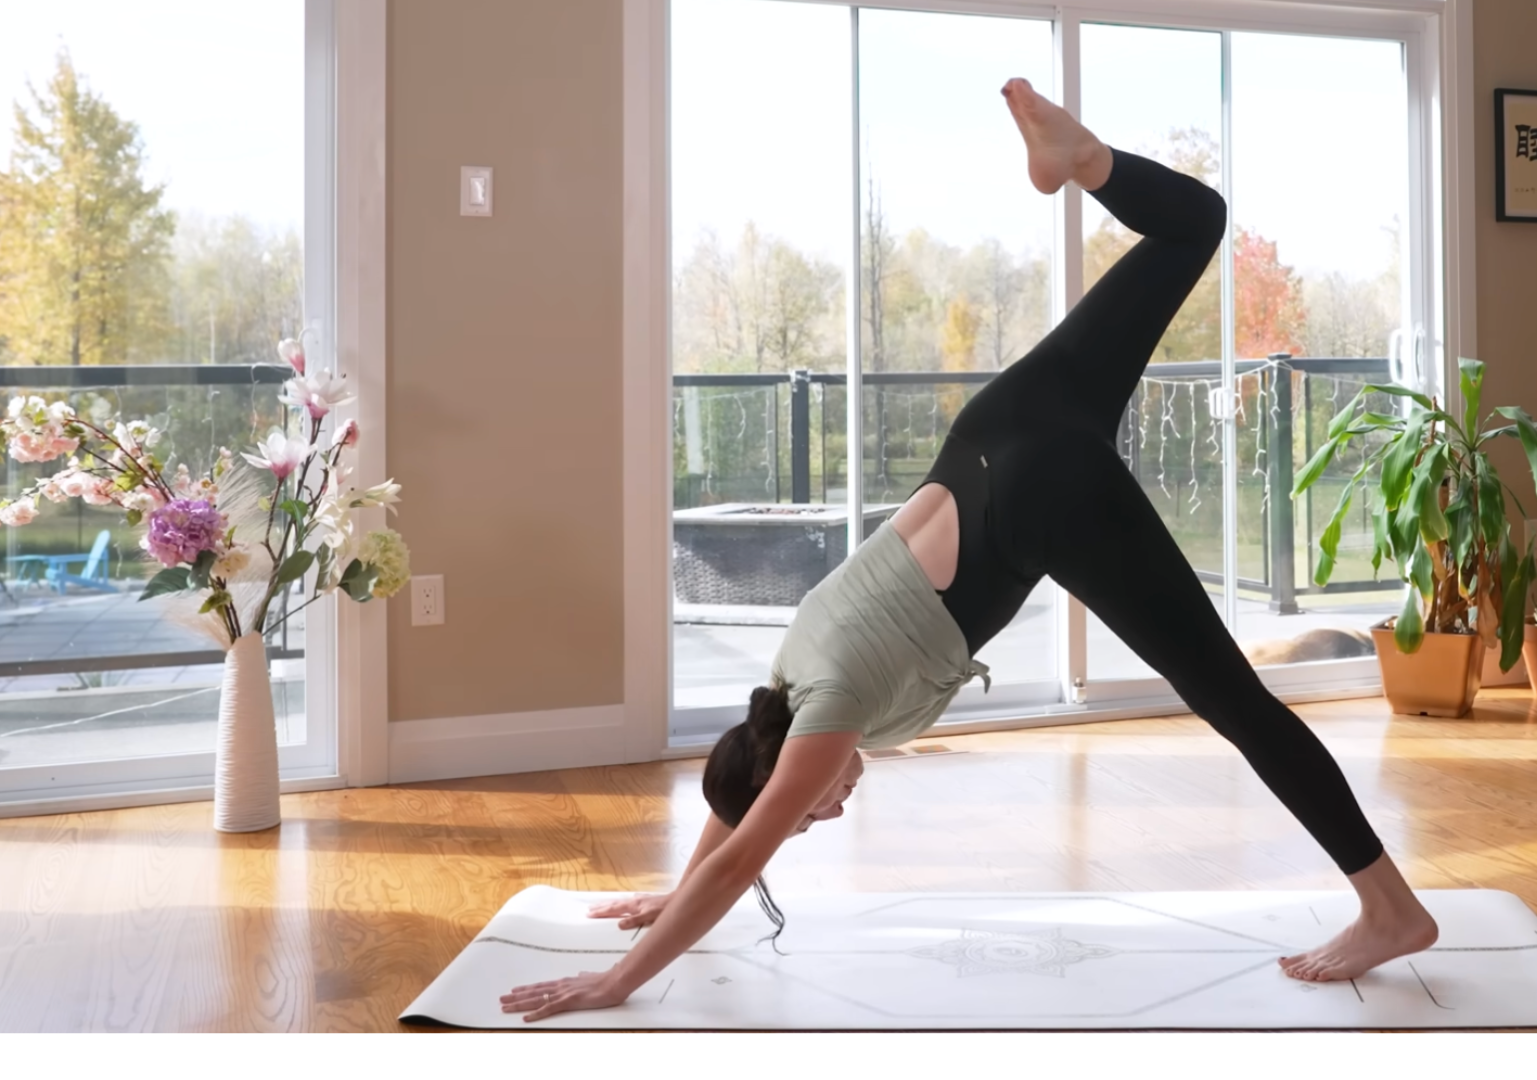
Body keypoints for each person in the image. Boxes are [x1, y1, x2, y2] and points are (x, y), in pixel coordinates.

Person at [500, 78, 1437, 1023]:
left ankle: (1391, 910)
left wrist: (619, 983)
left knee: (1236, 701)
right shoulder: (787, 678)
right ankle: (1087, 163)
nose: (832, 804)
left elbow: (748, 849)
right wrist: (672, 896)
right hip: (1000, 424)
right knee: (1195, 225)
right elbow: (740, 801)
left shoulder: (825, 722)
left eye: (819, 805)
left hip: (1040, 497)